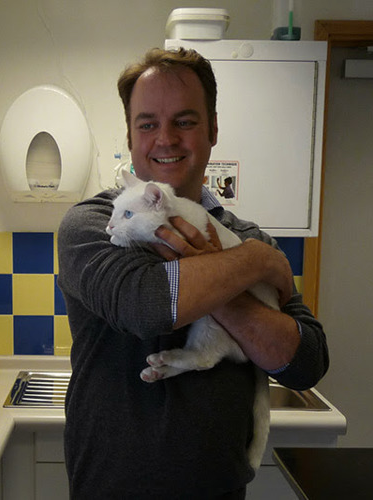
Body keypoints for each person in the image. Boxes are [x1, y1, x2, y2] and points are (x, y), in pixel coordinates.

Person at [57, 47, 329, 499]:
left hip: (217, 489)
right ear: (130, 135)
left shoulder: (248, 235)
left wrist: (235, 274)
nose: (165, 138)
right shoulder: (92, 226)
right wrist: (254, 264)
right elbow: (146, 307)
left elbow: (306, 362)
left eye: (184, 121)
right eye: (147, 124)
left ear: (213, 130)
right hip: (111, 487)